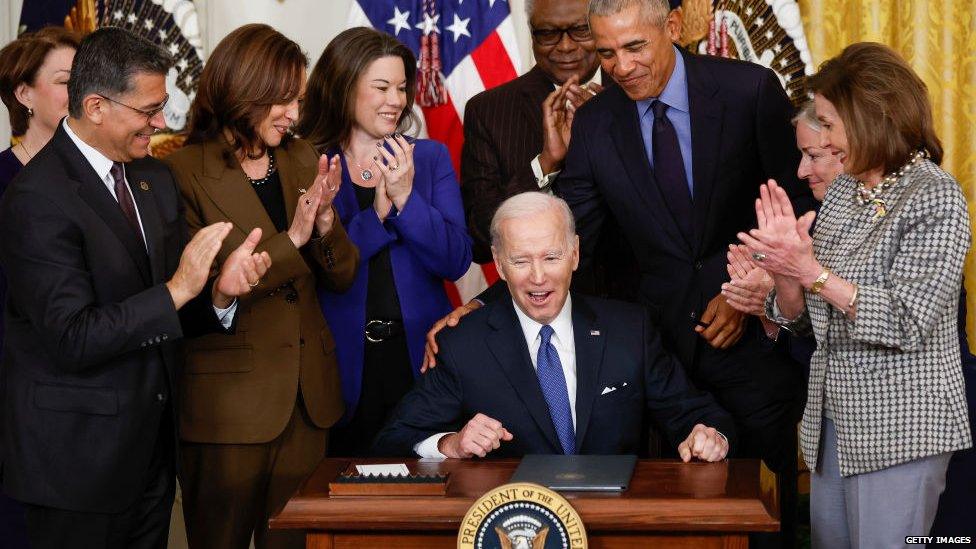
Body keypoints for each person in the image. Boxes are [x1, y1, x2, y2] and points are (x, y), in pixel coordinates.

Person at [0, 27, 270, 549]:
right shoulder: (35, 197)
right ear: (97, 106)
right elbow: (73, 337)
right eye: (148, 111)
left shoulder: (154, 180)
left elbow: (169, 308)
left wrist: (218, 294)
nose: (161, 123)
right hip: (75, 467)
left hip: (151, 455)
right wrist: (178, 289)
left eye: (163, 106)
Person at [740, 42, 972, 547]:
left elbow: (908, 322)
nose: (823, 136)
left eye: (828, 121)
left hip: (901, 430)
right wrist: (783, 270)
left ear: (870, 116)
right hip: (833, 427)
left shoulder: (934, 195)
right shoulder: (846, 191)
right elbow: (805, 320)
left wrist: (811, 269)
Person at [163, 24, 358, 549]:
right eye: (283, 100)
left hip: (308, 402)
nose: (295, 114)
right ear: (243, 89)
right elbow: (190, 298)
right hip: (226, 407)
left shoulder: (301, 155)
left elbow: (341, 275)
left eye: (299, 99)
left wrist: (324, 229)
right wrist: (293, 238)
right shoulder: (178, 172)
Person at [374, 192, 733, 461]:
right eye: (520, 261)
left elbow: (698, 414)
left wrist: (709, 435)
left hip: (614, 525)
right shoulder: (463, 344)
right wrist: (451, 443)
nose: (538, 277)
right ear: (499, 266)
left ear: (575, 254)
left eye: (551, 257)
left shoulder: (629, 329)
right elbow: (394, 438)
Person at [296, 27, 471, 456]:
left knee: (425, 490)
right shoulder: (307, 160)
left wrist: (407, 197)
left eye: (401, 87)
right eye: (381, 87)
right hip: (337, 361)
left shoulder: (429, 159)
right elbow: (318, 264)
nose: (396, 100)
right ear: (344, 86)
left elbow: (456, 259)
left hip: (419, 357)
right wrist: (376, 214)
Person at [0, 26, 79, 548]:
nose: (83, 92)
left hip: (85, 388)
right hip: (13, 388)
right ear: (24, 95)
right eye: (67, 80)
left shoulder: (103, 179)